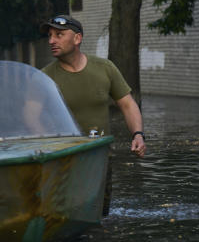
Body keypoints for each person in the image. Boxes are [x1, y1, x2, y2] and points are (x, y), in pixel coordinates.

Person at [40, 15, 147, 158]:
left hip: (101, 158)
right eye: (50, 36)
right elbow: (30, 117)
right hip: (63, 159)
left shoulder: (105, 68)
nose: (51, 41)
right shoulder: (44, 78)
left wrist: (138, 135)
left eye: (59, 35)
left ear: (77, 38)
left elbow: (128, 105)